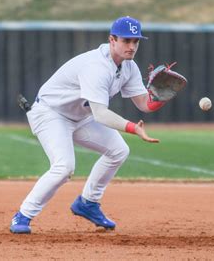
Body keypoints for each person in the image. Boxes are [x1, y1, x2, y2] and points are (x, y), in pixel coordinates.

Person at [10, 16, 168, 234]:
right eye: (126, 40)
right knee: (64, 167)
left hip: (80, 116)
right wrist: (134, 128)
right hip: (50, 113)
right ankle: (23, 215)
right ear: (112, 39)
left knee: (118, 151)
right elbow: (101, 114)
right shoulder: (96, 66)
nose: (132, 46)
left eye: (136, 41)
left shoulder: (129, 66)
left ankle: (88, 203)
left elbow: (145, 104)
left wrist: (163, 96)